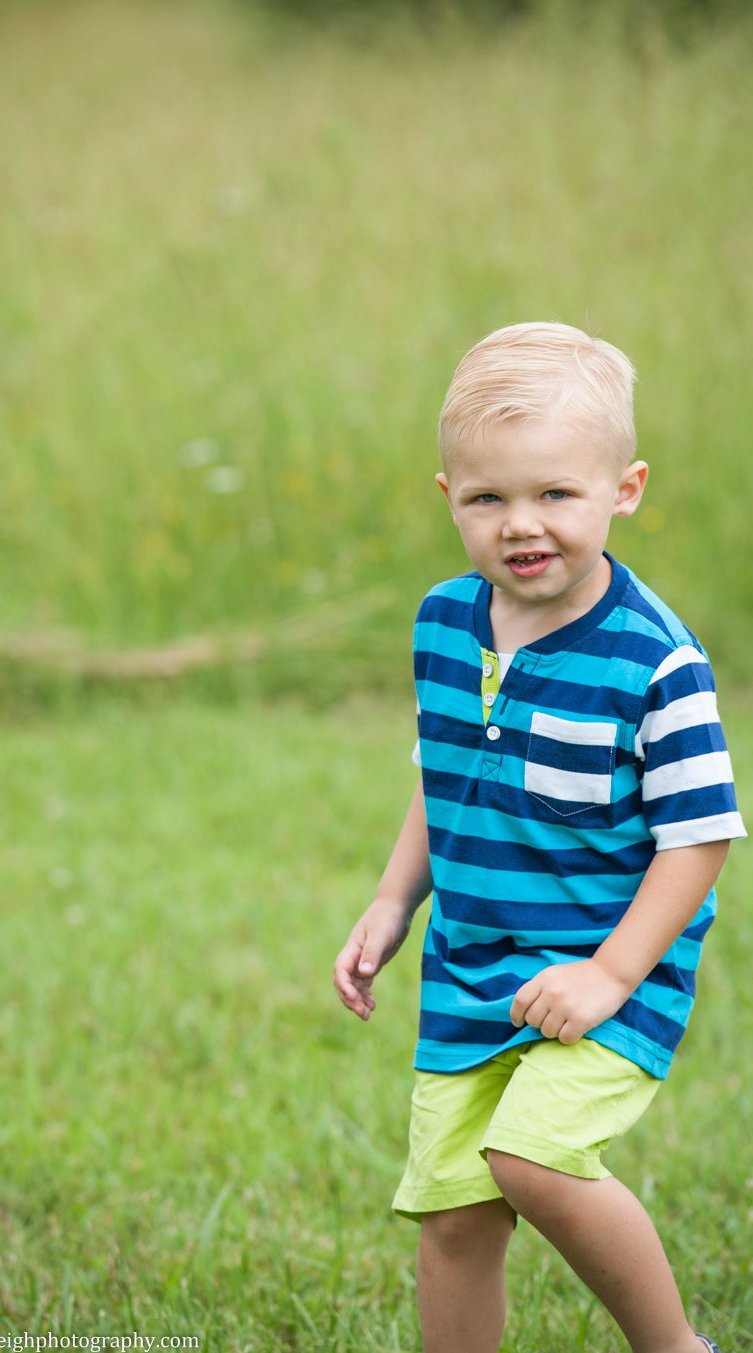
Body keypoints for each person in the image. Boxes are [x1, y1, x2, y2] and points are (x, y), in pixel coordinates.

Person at [333, 322, 745, 1353]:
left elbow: (700, 838)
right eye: (489, 498)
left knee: (533, 1159)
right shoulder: (444, 624)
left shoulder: (653, 660)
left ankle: (675, 1347)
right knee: (456, 1214)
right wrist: (393, 902)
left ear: (625, 488)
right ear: (449, 500)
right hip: (472, 969)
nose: (523, 524)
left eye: (557, 494)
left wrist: (610, 974)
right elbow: (451, 776)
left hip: (609, 967)